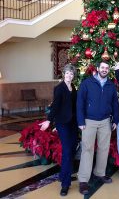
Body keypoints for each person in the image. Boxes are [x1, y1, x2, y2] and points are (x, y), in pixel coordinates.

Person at [77, 60, 119, 195]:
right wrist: (80, 120)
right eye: (102, 67)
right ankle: (83, 180)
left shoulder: (111, 85)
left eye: (107, 68)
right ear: (97, 68)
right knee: (87, 149)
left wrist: (115, 120)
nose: (104, 69)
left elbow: (115, 104)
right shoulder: (87, 83)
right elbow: (80, 103)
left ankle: (100, 173)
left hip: (105, 121)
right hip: (89, 121)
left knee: (103, 148)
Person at [39, 64, 78, 196]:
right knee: (67, 151)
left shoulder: (73, 87)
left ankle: (63, 175)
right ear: (64, 74)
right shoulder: (59, 88)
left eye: (71, 74)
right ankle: (65, 184)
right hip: (62, 123)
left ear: (74, 76)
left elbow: (75, 105)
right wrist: (49, 120)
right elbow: (55, 105)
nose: (69, 75)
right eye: (67, 73)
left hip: (73, 123)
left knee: (72, 149)